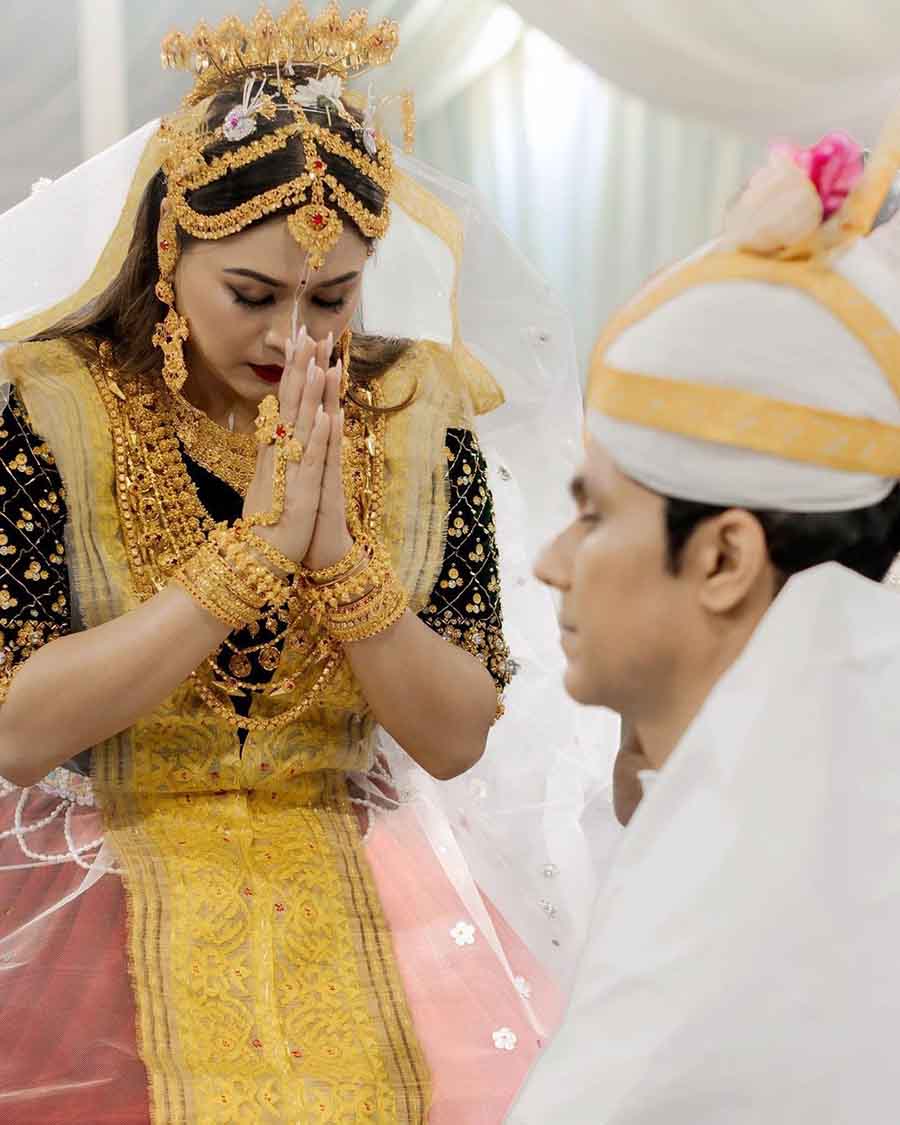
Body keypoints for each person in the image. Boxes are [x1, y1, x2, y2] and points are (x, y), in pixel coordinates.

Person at [0, 4, 599, 1122]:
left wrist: (331, 556)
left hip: (369, 879)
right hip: (96, 894)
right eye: (253, 295)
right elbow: (23, 729)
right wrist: (251, 554)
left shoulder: (419, 411)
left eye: (332, 298)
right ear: (170, 250)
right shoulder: (50, 404)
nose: (293, 338)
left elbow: (457, 736)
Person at [511, 125, 900, 1123]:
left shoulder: (741, 925)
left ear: (724, 559)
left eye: (595, 515)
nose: (552, 562)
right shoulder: (793, 798)